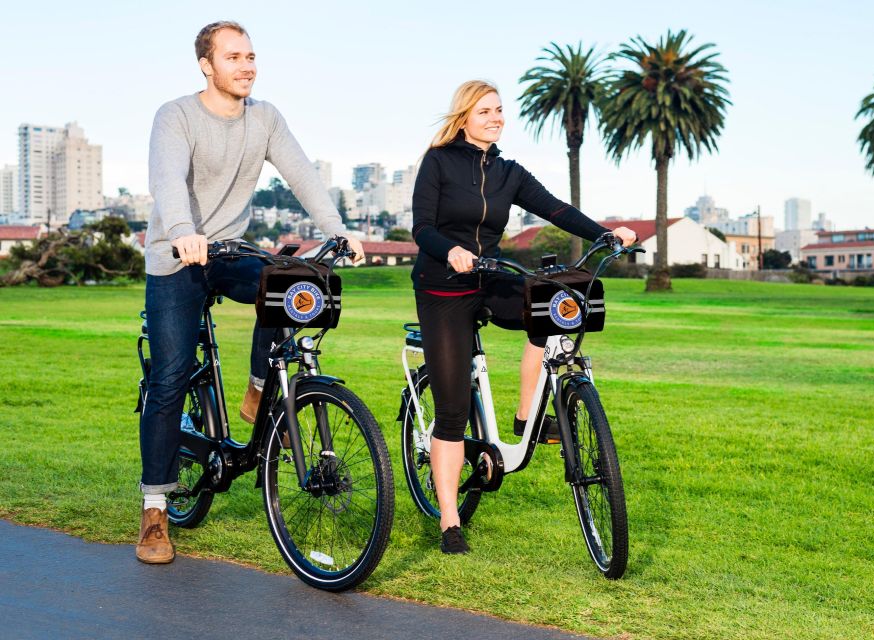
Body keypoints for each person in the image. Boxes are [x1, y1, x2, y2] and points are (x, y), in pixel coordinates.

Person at [136, 20, 364, 564]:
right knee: (169, 377)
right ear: (206, 65)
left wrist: (338, 229)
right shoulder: (176, 115)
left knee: (289, 284)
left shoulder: (265, 117)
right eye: (233, 56)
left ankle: (260, 389)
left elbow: (303, 175)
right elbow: (167, 181)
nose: (246, 65)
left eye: (251, 56)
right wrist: (181, 232)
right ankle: (154, 509)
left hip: (232, 250)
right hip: (178, 254)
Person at [411, 80, 637, 554]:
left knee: (553, 308)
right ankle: (450, 520)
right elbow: (423, 228)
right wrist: (450, 250)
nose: (495, 118)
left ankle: (525, 416)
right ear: (464, 117)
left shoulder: (509, 172)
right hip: (443, 286)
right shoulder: (438, 162)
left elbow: (556, 208)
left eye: (499, 110)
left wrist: (605, 234)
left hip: (490, 275)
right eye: (485, 111)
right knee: (452, 411)